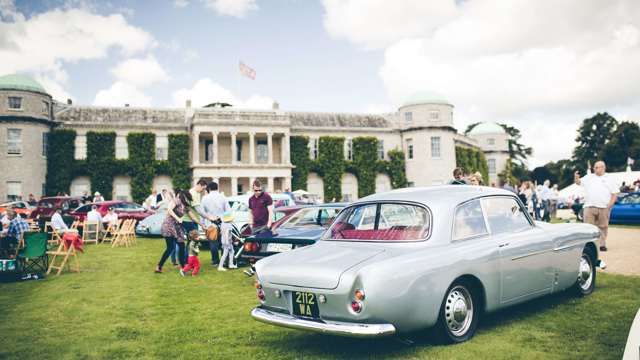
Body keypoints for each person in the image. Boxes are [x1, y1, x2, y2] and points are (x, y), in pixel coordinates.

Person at [574, 161, 619, 251]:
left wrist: (609, 206)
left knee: (603, 226)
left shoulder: (609, 178)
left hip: (604, 207)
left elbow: (615, 193)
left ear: (603, 168)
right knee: (588, 227)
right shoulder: (589, 177)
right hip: (589, 206)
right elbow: (578, 182)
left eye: (596, 167)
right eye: (594, 167)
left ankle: (602, 244)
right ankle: (589, 245)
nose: (594, 169)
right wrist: (576, 177)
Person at [156, 189, 200, 275]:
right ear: (184, 196)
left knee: (181, 245)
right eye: (187, 198)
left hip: (177, 227)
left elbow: (193, 217)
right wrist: (178, 218)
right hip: (169, 225)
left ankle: (183, 266)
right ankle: (159, 266)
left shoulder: (185, 206)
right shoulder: (177, 200)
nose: (188, 200)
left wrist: (201, 224)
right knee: (170, 247)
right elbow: (169, 209)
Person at [201, 181, 230, 266]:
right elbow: (228, 211)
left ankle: (215, 261)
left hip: (210, 223)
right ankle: (224, 259)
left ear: (209, 189)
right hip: (222, 222)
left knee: (213, 243)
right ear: (217, 188)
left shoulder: (205, 198)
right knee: (223, 242)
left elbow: (202, 213)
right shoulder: (223, 197)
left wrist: (202, 224)